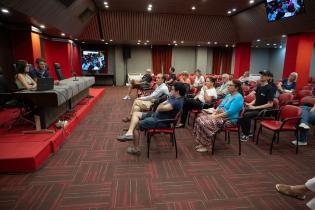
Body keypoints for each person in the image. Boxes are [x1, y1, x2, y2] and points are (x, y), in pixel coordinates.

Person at [117, 82, 186, 155]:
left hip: (160, 121)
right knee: (135, 113)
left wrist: (161, 105)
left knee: (136, 126)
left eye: (172, 89)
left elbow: (160, 108)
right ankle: (129, 133)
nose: (170, 91)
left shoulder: (177, 102)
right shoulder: (174, 97)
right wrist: (162, 105)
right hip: (156, 116)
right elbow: (161, 107)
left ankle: (136, 149)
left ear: (177, 92)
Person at [193, 80, 244, 152]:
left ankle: (207, 145)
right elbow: (220, 106)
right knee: (199, 119)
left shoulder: (238, 97)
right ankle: (202, 143)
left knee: (204, 123)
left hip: (229, 120)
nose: (228, 87)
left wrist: (214, 116)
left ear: (236, 88)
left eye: (230, 85)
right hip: (221, 116)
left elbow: (229, 112)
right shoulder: (229, 95)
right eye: (228, 85)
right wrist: (214, 113)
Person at [240, 70, 276, 142]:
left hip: (265, 110)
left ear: (269, 77)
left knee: (247, 115)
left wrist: (255, 107)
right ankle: (247, 131)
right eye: (261, 74)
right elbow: (257, 98)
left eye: (264, 75)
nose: (261, 76)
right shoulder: (259, 87)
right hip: (257, 108)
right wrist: (250, 104)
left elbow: (270, 104)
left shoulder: (270, 88)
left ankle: (246, 134)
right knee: (242, 111)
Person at [15, 60, 42, 130]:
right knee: (39, 102)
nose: (28, 67)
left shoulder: (26, 75)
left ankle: (40, 121)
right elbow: (27, 87)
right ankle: (38, 125)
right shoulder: (19, 75)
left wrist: (32, 85)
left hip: (30, 94)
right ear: (22, 67)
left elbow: (35, 83)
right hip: (23, 96)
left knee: (42, 100)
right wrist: (32, 85)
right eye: (26, 65)